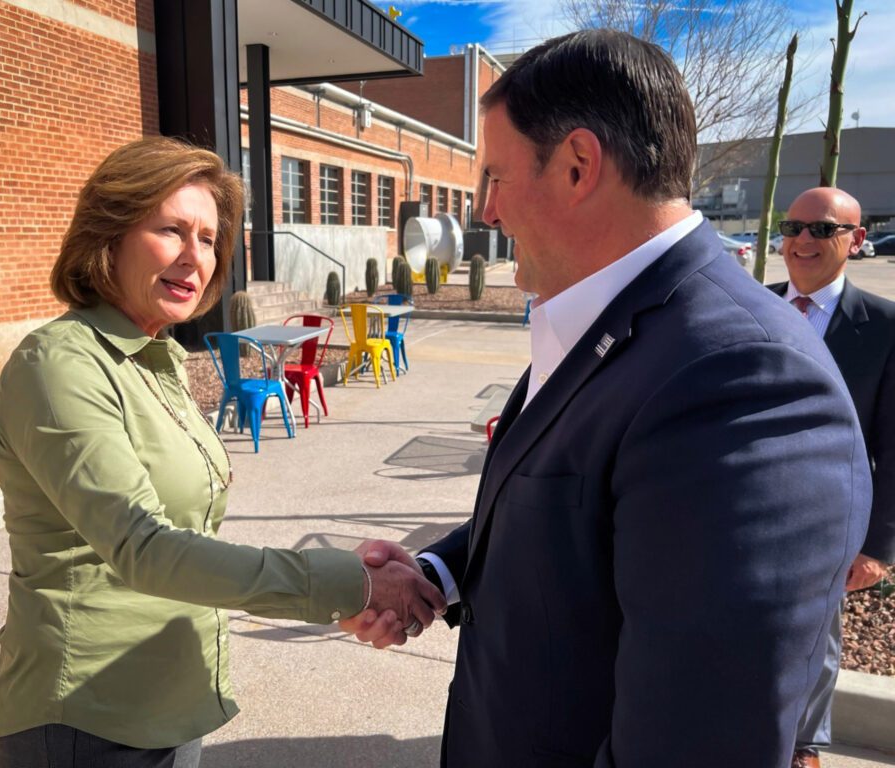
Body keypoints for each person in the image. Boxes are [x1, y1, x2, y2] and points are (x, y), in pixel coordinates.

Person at [342, 30, 871, 767]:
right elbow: (572, 515)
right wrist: (434, 576)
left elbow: (696, 745)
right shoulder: (618, 320)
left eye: (494, 177)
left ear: (579, 166)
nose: (486, 213)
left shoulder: (743, 381)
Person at [0, 136, 444, 767]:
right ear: (108, 235)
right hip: (90, 721)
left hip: (174, 702)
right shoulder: (60, 365)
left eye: (207, 238)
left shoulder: (156, 361)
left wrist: (346, 595)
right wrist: (346, 583)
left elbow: (191, 537)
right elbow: (145, 546)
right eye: (171, 230)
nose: (193, 257)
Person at [768, 186, 895, 768]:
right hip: (734, 512)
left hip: (827, 521)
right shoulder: (748, 303)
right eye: (792, 227)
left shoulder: (885, 327)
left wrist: (877, 547)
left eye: (821, 229)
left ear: (856, 239)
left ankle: (802, 748)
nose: (802, 240)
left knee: (816, 641)